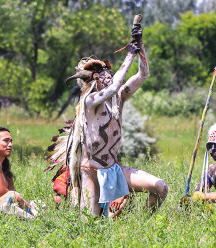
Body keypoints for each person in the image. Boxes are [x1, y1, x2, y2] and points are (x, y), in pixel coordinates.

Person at [45, 15, 168, 217]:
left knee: (160, 187)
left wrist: (140, 46)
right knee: (91, 224)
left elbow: (143, 75)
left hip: (113, 169)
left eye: (103, 68)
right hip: (90, 172)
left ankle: (140, 226)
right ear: (90, 80)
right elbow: (113, 88)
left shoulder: (119, 96)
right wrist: (129, 54)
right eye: (97, 71)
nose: (104, 73)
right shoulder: (89, 100)